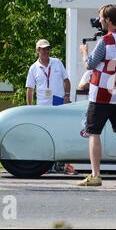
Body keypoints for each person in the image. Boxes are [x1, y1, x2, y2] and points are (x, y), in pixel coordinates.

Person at [77, 4, 116, 187]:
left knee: (93, 133)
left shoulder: (105, 41)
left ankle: (95, 175)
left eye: (102, 18)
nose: (100, 21)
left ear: (108, 20)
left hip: (102, 95)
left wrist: (84, 53)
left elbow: (89, 65)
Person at [25, 39, 77, 175]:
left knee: (63, 133)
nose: (46, 51)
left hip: (58, 102)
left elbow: (66, 81)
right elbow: (30, 89)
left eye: (47, 48)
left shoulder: (57, 62)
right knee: (44, 136)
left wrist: (66, 96)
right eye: (43, 49)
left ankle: (66, 165)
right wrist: (30, 108)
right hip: (42, 106)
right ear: (37, 51)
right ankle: (44, 165)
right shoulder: (33, 68)